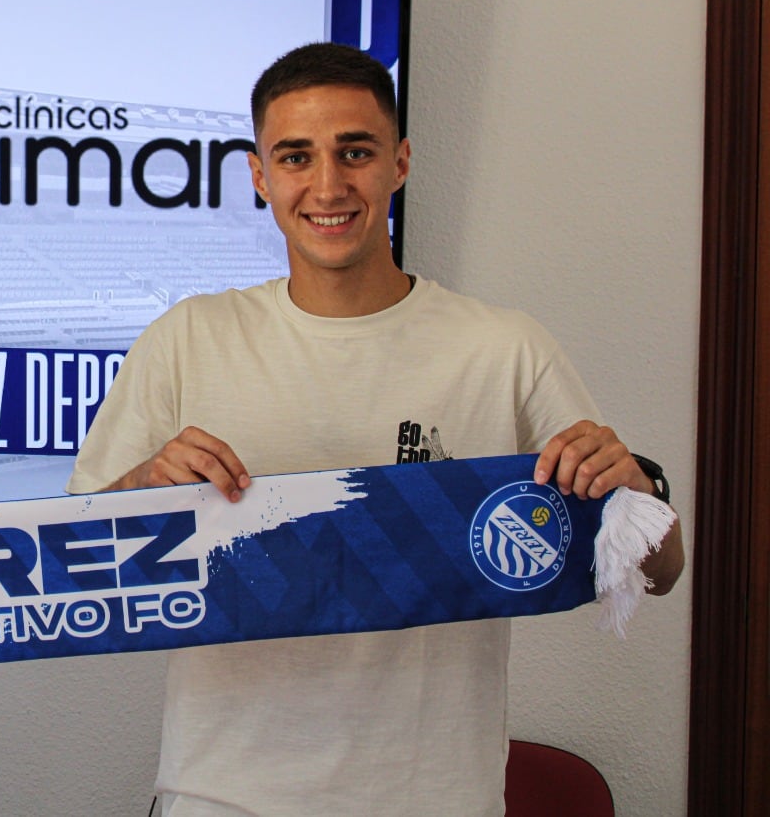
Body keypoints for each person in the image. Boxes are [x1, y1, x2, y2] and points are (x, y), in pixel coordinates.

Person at [67, 42, 683, 817]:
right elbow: (77, 566)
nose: (328, 185)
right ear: (260, 176)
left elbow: (659, 572)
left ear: (400, 163)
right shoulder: (188, 339)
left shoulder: (503, 348)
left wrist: (635, 489)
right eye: (296, 156)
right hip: (222, 793)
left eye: (355, 151)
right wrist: (139, 490)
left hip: (436, 796)